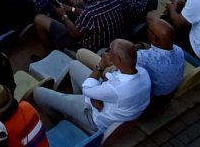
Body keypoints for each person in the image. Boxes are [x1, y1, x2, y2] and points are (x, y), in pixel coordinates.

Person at [21, 40, 149, 138]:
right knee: (73, 65)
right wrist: (96, 94)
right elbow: (111, 83)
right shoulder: (143, 73)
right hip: (106, 103)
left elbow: (87, 89)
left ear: (119, 60)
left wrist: (101, 66)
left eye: (110, 53)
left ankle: (63, 119)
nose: (106, 54)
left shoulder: (116, 89)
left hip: (95, 117)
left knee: (38, 93)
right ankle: (74, 110)